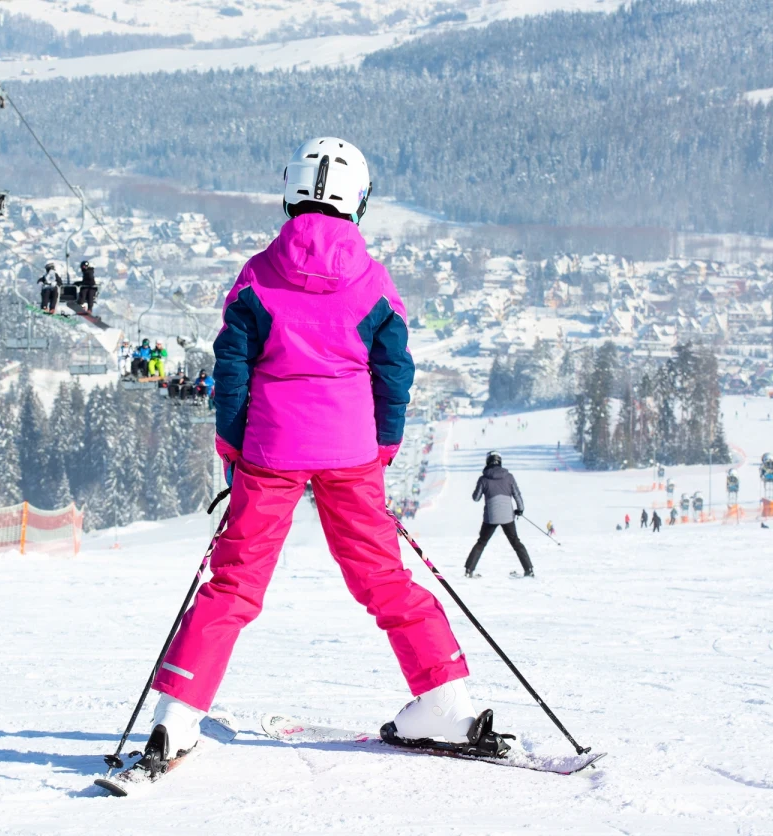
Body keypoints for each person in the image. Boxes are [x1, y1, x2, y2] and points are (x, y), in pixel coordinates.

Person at [144, 136, 506, 773]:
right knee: (382, 575)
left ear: (290, 189)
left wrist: (233, 445)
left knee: (232, 581)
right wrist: (383, 446)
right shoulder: (372, 281)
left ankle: (176, 719)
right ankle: (445, 701)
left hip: (269, 451)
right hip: (352, 452)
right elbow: (394, 372)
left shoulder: (258, 274)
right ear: (359, 199)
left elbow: (231, 371)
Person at [463, 451, 533, 577]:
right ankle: (529, 569)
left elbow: (476, 498)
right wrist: (520, 509)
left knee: (481, 542)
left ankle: (469, 570)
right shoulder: (509, 477)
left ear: (487, 462)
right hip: (507, 517)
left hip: (491, 517)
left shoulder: (483, 479)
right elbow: (517, 495)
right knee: (516, 542)